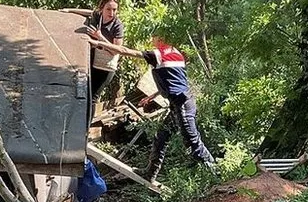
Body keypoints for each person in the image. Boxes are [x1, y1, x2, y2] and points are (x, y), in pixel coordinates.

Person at [88, 34, 218, 182]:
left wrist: (98, 42)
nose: (152, 40)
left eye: (154, 37)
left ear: (160, 39)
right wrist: (153, 96)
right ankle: (150, 173)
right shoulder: (175, 53)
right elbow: (174, 79)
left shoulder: (158, 54)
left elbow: (124, 50)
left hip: (182, 105)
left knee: (193, 143)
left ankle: (217, 174)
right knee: (161, 136)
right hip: (181, 103)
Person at [59, 0, 124, 109]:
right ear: (102, 8)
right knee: (83, 92)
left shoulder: (117, 25)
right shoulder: (98, 16)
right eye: (108, 9)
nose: (111, 13)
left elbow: (116, 51)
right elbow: (89, 12)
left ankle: (86, 126)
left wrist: (100, 37)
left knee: (93, 97)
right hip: (93, 63)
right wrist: (69, 10)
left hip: (106, 67)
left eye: (114, 10)